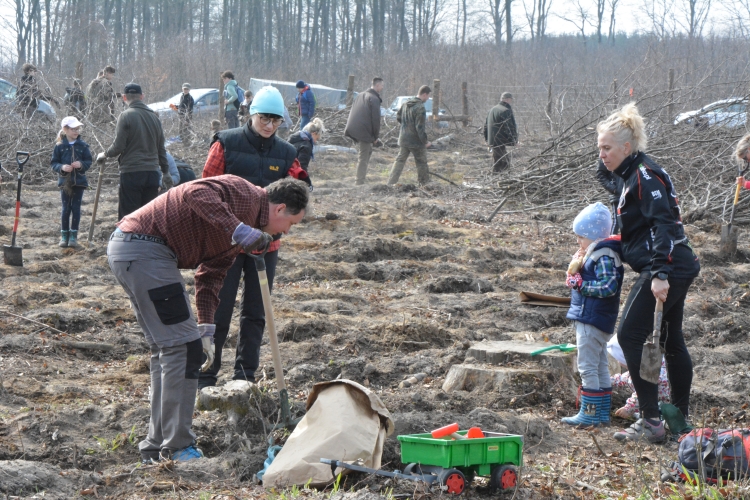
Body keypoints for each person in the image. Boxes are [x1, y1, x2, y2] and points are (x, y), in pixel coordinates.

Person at [107, 175, 309, 463]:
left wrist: (206, 329)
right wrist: (237, 228)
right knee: (181, 348)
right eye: (291, 224)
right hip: (144, 249)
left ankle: (156, 444)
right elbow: (193, 192)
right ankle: (177, 447)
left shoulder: (239, 238)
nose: (286, 233)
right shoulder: (244, 193)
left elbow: (210, 277)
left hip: (135, 251)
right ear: (280, 209)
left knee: (168, 349)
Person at [596, 103, 700, 443]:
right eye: (599, 147)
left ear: (627, 147)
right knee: (671, 339)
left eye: (607, 148)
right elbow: (634, 220)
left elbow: (664, 224)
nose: (602, 154)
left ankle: (652, 420)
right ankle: (679, 420)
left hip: (670, 264)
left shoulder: (645, 175)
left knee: (628, 335)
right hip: (674, 263)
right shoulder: (629, 175)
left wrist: (659, 274)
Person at [199, 86, 311, 389]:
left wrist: (302, 177)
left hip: (266, 245)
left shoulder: (287, 153)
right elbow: (206, 189)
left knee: (256, 312)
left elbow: (299, 189)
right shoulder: (226, 144)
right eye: (265, 118)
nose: (270, 126)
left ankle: (245, 377)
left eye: (276, 121)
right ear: (251, 114)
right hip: (227, 243)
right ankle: (206, 375)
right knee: (219, 310)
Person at [561, 202, 624, 428]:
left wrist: (580, 285)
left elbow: (608, 287)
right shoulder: (596, 252)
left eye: (581, 237)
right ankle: (601, 414)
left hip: (591, 318)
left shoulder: (603, 254)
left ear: (593, 234)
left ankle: (589, 412)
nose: (578, 242)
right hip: (595, 317)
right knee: (599, 365)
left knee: (587, 366)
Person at [98, 83, 171, 220]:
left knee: (129, 217)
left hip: (132, 172)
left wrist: (105, 154)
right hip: (152, 174)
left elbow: (118, 147)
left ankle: (127, 241)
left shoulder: (126, 115)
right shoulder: (155, 117)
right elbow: (161, 149)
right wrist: (166, 172)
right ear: (142, 96)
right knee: (148, 216)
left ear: (124, 98)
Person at [50, 116, 93, 248]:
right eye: (73, 129)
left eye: (78, 129)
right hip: (65, 183)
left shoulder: (83, 146)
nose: (76, 131)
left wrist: (81, 164)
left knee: (76, 208)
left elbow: (88, 161)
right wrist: (62, 167)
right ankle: (64, 236)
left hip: (79, 182)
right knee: (65, 209)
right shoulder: (59, 146)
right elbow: (54, 163)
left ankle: (73, 237)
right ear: (65, 129)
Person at [608, 336, 671, 420]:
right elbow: (622, 379)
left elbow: (643, 391)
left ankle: (655, 421)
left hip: (665, 408)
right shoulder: (642, 366)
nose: (618, 362)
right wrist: (606, 381)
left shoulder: (650, 373)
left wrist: (628, 409)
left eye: (619, 359)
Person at [387, 85, 432, 185]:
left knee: (399, 160)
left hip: (403, 138)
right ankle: (424, 184)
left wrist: (406, 127)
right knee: (421, 162)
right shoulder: (420, 107)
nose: (428, 98)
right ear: (424, 94)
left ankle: (390, 183)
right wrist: (425, 142)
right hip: (415, 141)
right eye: (428, 96)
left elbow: (398, 117)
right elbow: (420, 128)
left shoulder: (405, 103)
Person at [345, 77, 384, 185]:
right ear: (377, 85)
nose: (382, 87)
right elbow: (375, 120)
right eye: (381, 85)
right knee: (364, 155)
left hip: (356, 129)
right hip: (364, 131)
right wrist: (375, 137)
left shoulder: (361, 95)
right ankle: (359, 182)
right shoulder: (374, 98)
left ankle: (361, 178)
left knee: (367, 152)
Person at [483, 92, 518, 173]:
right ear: (508, 99)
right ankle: (499, 180)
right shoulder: (505, 111)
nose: (511, 102)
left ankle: (497, 179)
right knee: (503, 163)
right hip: (500, 141)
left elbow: (485, 126)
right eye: (511, 100)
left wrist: (487, 139)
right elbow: (509, 128)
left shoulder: (491, 110)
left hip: (493, 141)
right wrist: (514, 140)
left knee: (499, 161)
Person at [595, 160, 623, 234]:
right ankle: (610, 242)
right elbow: (600, 174)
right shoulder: (605, 155)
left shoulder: (628, 153)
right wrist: (613, 189)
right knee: (616, 221)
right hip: (617, 194)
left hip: (630, 192)